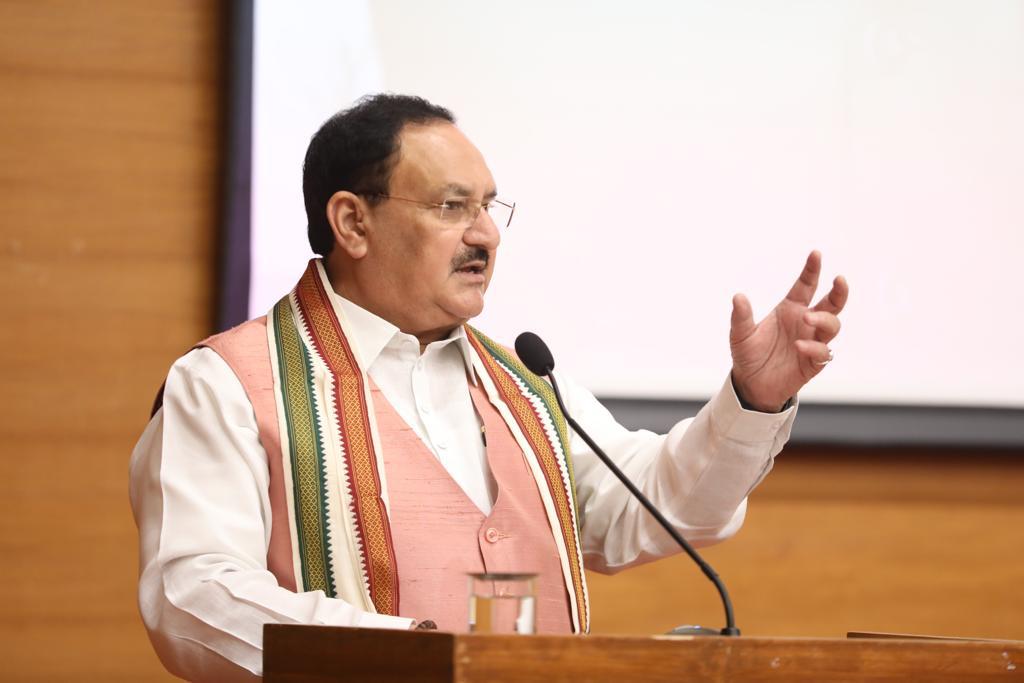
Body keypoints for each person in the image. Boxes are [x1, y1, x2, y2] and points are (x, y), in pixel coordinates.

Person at [130, 94, 847, 681]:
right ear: (352, 221)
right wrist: (411, 659)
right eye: (451, 207)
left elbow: (658, 507)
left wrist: (753, 400)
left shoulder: (521, 382)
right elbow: (191, 594)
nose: (486, 235)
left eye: (489, 207)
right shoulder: (228, 383)